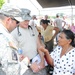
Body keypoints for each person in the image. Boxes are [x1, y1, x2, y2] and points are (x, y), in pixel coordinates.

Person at [11, 8, 47, 75]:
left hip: (36, 60)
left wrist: (42, 60)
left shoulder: (33, 29)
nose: (27, 22)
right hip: (24, 65)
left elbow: (39, 46)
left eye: (28, 20)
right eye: (25, 20)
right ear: (19, 19)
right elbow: (15, 53)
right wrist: (30, 64)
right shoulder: (13, 33)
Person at [0, 3, 27, 75]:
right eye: (17, 22)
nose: (17, 24)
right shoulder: (5, 38)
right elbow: (12, 72)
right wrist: (25, 62)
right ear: (8, 20)